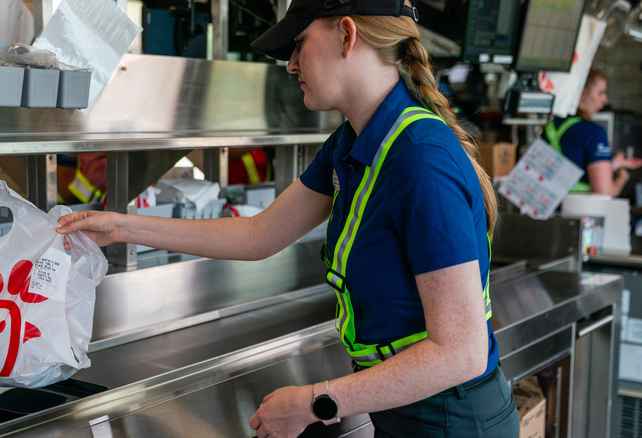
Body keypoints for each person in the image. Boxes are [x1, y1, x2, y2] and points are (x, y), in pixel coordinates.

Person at [57, 0, 519, 436]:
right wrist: (122, 227)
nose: (291, 64)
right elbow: (259, 234)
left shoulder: (421, 161)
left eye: (298, 43)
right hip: (404, 408)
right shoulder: (350, 143)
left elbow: (460, 351)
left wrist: (315, 400)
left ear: (346, 34)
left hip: (451, 417)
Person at [542, 68, 642, 196]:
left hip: (547, 211)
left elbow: (574, 169)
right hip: (580, 212)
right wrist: (622, 178)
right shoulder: (594, 133)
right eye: (600, 93)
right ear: (582, 94)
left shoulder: (552, 126)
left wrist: (613, 165)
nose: (605, 100)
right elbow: (603, 193)